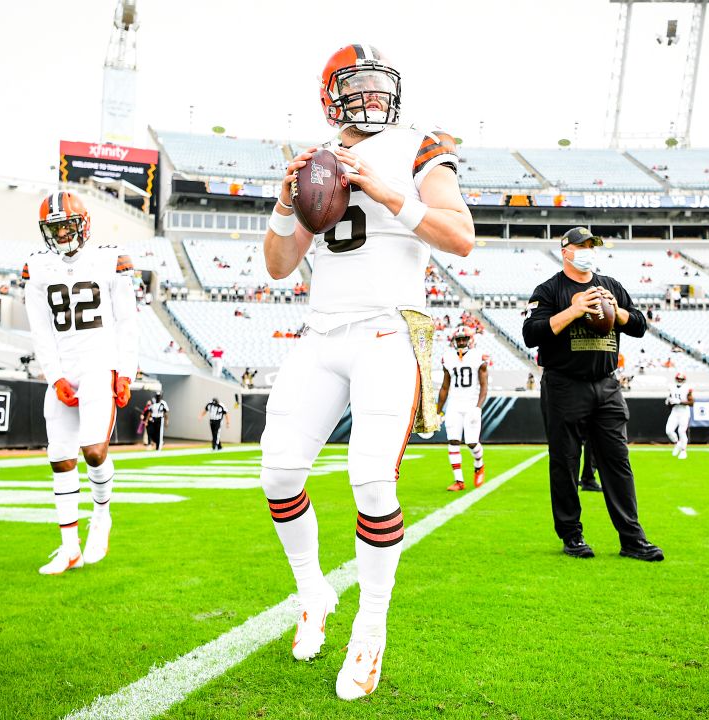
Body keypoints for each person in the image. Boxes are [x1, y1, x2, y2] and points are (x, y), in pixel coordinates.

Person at [259, 43, 474, 701]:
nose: (373, 99)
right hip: (323, 330)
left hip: (390, 329)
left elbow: (461, 236)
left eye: (381, 88)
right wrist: (284, 200)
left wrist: (384, 191)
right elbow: (276, 264)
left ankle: (370, 630)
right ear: (332, 94)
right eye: (360, 89)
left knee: (372, 482)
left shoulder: (418, 147)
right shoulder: (316, 157)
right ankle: (313, 592)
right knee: (279, 473)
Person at [522, 226, 663, 563]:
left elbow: (640, 325)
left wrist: (620, 312)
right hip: (564, 384)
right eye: (581, 245)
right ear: (565, 250)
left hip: (607, 384)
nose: (588, 250)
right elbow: (530, 334)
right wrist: (573, 310)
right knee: (566, 463)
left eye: (592, 245)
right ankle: (572, 536)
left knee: (618, 463)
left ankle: (632, 539)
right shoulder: (549, 289)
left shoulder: (610, 286)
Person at [23, 190, 138, 575]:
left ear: (83, 224)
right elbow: (39, 328)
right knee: (60, 457)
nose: (61, 235)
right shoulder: (38, 267)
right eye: (53, 229)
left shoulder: (109, 259)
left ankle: (102, 515)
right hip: (65, 367)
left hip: (99, 364)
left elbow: (126, 320)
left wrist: (126, 372)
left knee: (92, 452)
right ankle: (69, 547)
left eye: (66, 225)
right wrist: (53, 376)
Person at [436, 326, 488, 491]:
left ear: (469, 340)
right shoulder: (448, 358)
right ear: (454, 341)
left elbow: (484, 385)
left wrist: (478, 407)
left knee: (472, 443)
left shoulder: (478, 356)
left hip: (471, 403)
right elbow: (445, 387)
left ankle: (479, 464)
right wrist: (438, 411)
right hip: (455, 404)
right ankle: (459, 481)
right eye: (458, 339)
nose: (461, 342)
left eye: (463, 339)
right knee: (453, 441)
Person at [664, 372, 694, 460]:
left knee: (681, 431)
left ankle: (683, 451)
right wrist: (669, 402)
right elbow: (670, 402)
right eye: (678, 379)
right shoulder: (671, 387)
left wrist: (680, 402)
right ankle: (677, 443)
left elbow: (692, 403)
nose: (679, 380)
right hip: (675, 411)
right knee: (669, 430)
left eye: (681, 379)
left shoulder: (687, 388)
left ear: (684, 380)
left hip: (684, 412)